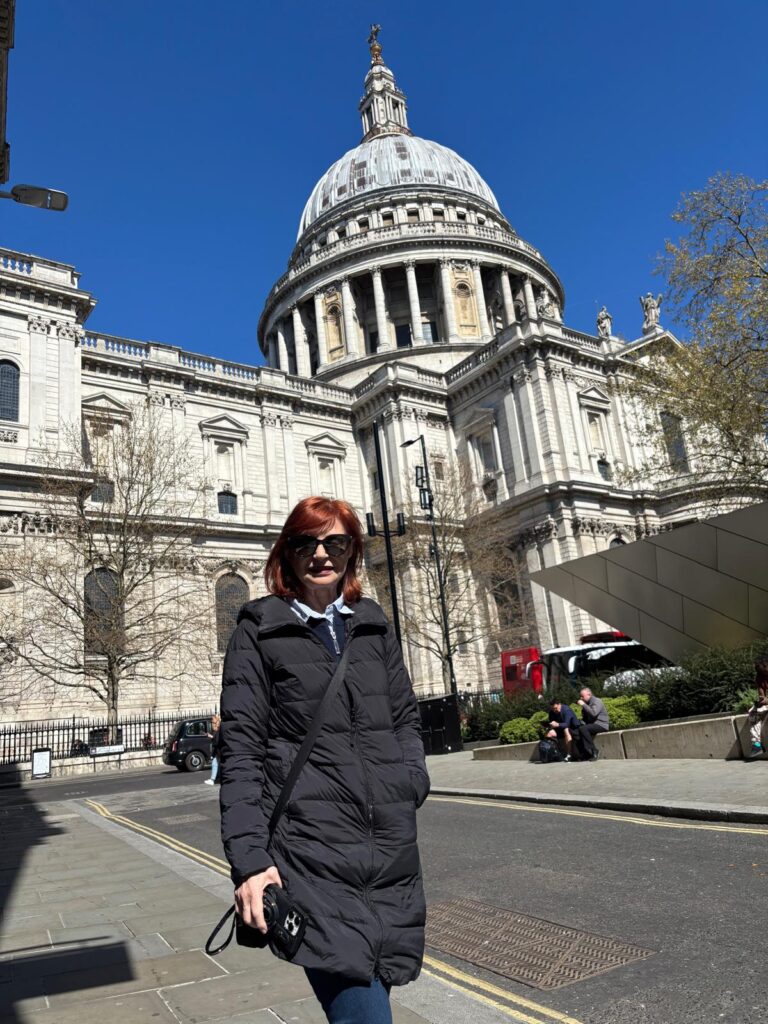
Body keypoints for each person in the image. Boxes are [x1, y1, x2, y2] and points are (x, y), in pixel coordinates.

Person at [218, 496, 429, 1024]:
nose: (320, 555)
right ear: (285, 553)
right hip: (310, 853)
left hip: (387, 849)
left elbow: (404, 717)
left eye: (334, 542)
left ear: (352, 550)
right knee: (363, 1007)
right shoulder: (259, 628)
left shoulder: (372, 623)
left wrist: (409, 782)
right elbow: (241, 752)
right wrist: (249, 863)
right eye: (305, 543)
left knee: (379, 977)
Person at [575, 687, 609, 761]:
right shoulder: (587, 703)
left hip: (601, 724)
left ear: (589, 694)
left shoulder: (597, 701)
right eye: (580, 696)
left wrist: (583, 705)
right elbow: (586, 718)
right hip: (592, 725)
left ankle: (594, 751)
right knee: (576, 731)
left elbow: (594, 713)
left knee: (583, 729)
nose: (581, 698)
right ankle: (585, 754)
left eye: (582, 696)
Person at [746, 657, 768, 758]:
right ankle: (757, 745)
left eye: (763, 669)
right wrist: (761, 701)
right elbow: (761, 694)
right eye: (759, 670)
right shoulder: (760, 677)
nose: (762, 672)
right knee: (753, 712)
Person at [205, 713, 221, 785]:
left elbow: (217, 740)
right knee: (217, 763)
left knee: (215, 763)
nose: (211, 723)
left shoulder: (218, 729)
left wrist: (212, 737)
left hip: (219, 749)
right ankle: (217, 778)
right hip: (218, 750)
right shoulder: (215, 729)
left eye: (213, 721)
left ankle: (213, 779)